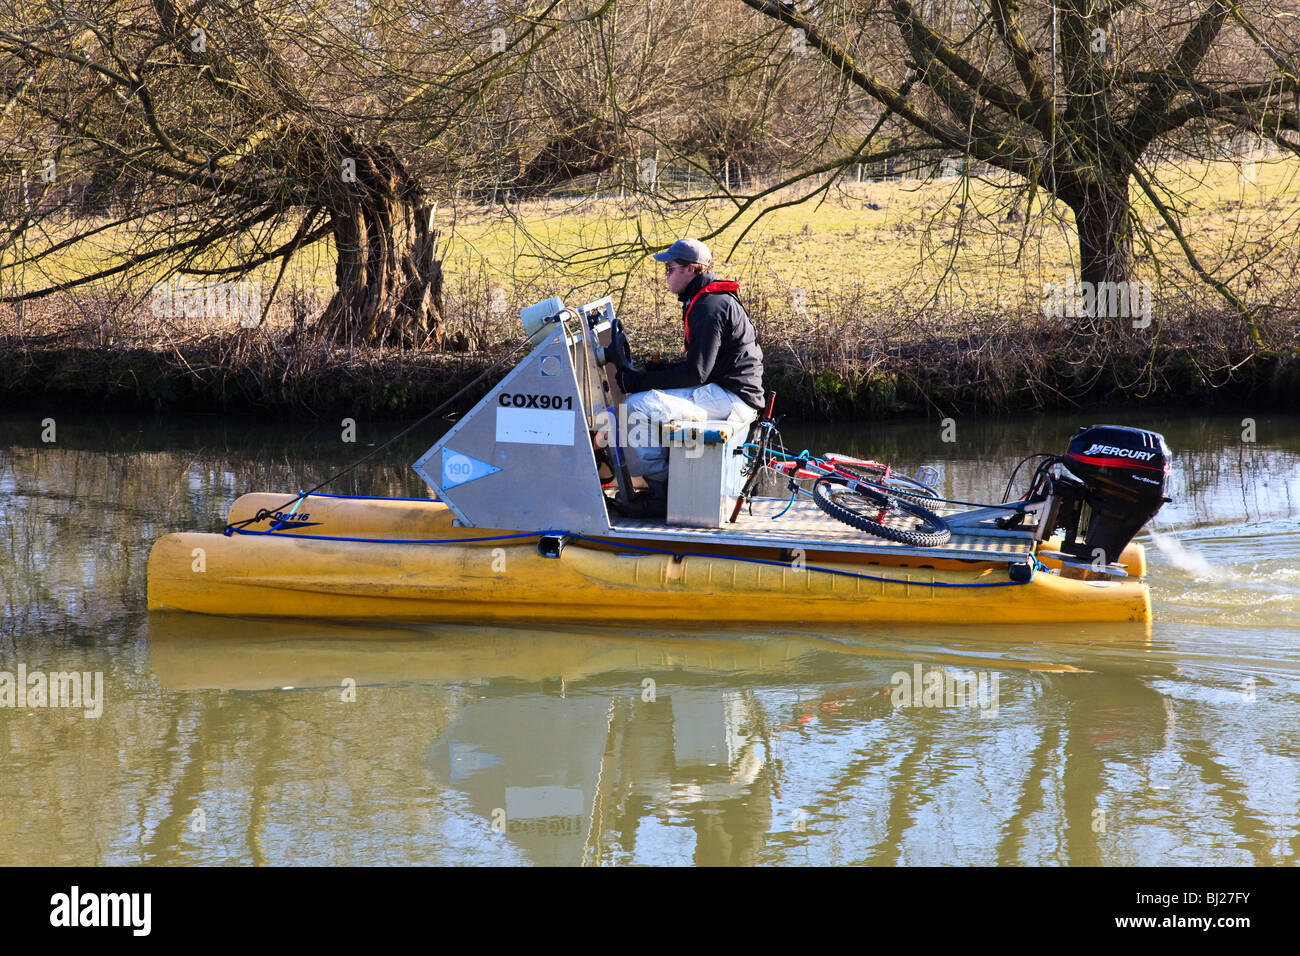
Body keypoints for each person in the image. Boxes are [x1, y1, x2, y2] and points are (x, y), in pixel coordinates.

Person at [612, 238, 765, 515]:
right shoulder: (709, 299)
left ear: (692, 269)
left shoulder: (708, 307)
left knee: (635, 406)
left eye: (670, 268)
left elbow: (696, 373)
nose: (666, 274)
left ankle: (664, 493)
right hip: (727, 392)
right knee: (650, 399)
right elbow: (701, 367)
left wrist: (637, 382)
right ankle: (669, 484)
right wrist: (659, 373)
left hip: (732, 399)